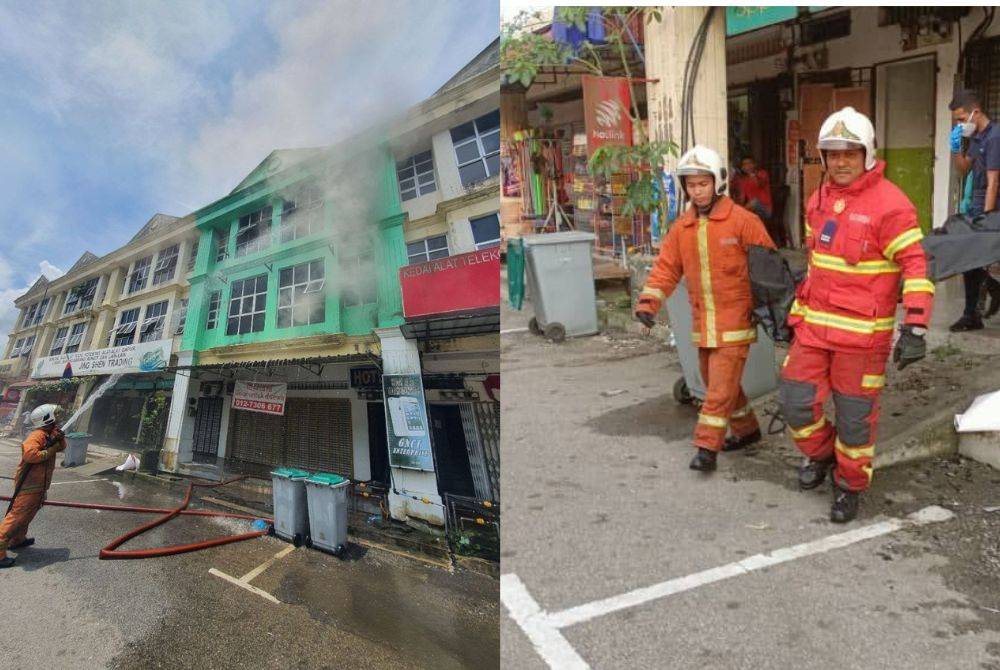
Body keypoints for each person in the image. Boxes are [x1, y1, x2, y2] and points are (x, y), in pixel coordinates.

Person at [780, 107, 933, 523]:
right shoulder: (819, 199)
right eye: (832, 153)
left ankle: (849, 485)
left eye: (850, 152)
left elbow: (916, 266)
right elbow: (816, 266)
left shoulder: (892, 205)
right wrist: (794, 314)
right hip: (814, 330)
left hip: (863, 341)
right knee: (795, 404)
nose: (841, 161)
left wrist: (916, 324)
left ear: (867, 154)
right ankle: (823, 456)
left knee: (855, 423)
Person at [635, 145, 776, 472]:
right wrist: (648, 304)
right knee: (719, 382)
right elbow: (666, 269)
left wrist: (780, 314)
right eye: (691, 184)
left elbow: (770, 269)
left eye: (703, 183)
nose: (697, 191)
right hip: (704, 324)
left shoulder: (744, 221)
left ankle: (706, 447)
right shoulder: (681, 228)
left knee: (717, 389)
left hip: (736, 322)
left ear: (718, 182)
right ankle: (747, 430)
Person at [948, 89, 1000, 331]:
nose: (959, 124)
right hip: (977, 206)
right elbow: (963, 169)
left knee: (973, 259)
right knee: (973, 260)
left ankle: (974, 312)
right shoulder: (978, 138)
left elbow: (993, 182)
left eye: (961, 119)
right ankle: (978, 307)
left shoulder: (994, 138)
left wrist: (985, 221)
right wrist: (956, 148)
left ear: (975, 112)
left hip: (990, 208)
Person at [0, 404, 66, 568]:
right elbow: (31, 455)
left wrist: (58, 439)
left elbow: (62, 447)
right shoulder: (37, 435)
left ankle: (18, 540)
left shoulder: (49, 433)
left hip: (39, 486)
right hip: (28, 486)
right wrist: (51, 449)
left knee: (27, 515)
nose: (59, 418)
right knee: (16, 517)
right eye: (55, 415)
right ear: (47, 418)